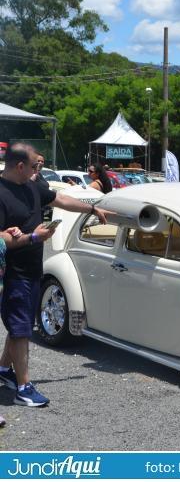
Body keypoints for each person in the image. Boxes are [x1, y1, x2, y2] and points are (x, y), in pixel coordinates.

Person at [0, 143, 112, 407]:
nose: (38, 170)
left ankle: (4, 370)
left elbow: (60, 199)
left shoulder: (32, 185)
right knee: (21, 330)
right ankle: (24, 388)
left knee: (21, 325)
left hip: (32, 269)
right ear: (19, 166)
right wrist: (34, 237)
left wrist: (92, 209)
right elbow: (2, 240)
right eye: (34, 166)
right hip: (13, 275)